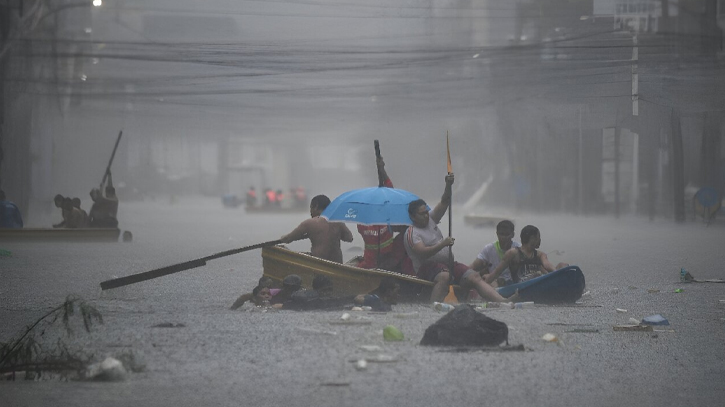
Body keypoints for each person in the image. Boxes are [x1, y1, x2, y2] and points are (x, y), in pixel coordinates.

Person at [403, 174, 515, 304]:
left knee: (474, 276)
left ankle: (503, 301)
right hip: (426, 268)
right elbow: (422, 252)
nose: (426, 216)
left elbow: (445, 202)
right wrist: (442, 244)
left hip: (448, 264)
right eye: (422, 214)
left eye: (426, 212)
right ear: (412, 217)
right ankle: (433, 307)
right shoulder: (411, 233)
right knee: (444, 276)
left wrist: (448, 185)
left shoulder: (431, 219)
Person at [356, 156, 409, 271]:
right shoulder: (383, 219)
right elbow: (390, 190)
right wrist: (382, 170)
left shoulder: (362, 221)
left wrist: (382, 170)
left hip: (375, 262)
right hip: (375, 263)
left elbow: (390, 190)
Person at [485, 225, 569, 285]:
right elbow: (496, 273)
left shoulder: (540, 255)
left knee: (563, 265)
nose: (540, 240)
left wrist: (556, 273)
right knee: (537, 274)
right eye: (538, 237)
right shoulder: (513, 253)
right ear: (532, 239)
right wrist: (483, 285)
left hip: (539, 281)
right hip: (521, 286)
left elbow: (547, 264)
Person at [280, 195, 353, 263]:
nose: (310, 212)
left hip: (318, 264)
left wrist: (283, 238)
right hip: (337, 265)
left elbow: (288, 239)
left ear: (316, 207)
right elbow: (349, 238)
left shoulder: (309, 223)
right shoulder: (338, 222)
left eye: (311, 208)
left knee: (282, 248)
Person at [470, 220, 521, 287]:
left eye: (507, 234)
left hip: (515, 283)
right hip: (494, 282)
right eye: (501, 234)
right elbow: (472, 267)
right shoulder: (489, 249)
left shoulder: (519, 248)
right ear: (497, 234)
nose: (504, 238)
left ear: (512, 235)